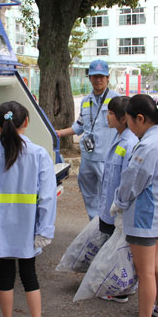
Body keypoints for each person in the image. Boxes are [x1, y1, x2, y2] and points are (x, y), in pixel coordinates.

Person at [0, 101, 57, 317]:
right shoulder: (39, 154)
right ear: (27, 123)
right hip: (28, 228)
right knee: (29, 276)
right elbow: (48, 197)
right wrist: (45, 230)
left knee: (5, 275)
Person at [110, 94, 158, 317]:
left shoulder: (150, 145)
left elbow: (133, 181)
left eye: (129, 120)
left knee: (145, 271)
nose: (128, 125)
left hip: (145, 217)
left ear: (140, 118)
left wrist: (118, 202)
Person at [56, 60, 119, 220]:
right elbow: (79, 126)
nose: (98, 80)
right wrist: (59, 133)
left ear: (108, 78)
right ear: (89, 78)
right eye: (94, 76)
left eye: (101, 77)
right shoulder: (86, 101)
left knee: (108, 193)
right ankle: (94, 225)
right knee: (89, 193)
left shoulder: (116, 100)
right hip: (88, 158)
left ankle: (108, 225)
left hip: (106, 158)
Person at [97, 96, 138, 303]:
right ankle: (118, 285)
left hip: (117, 209)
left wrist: (119, 207)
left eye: (111, 113)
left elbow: (127, 180)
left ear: (123, 118)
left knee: (120, 252)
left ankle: (122, 289)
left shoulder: (129, 142)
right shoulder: (118, 136)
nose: (107, 116)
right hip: (109, 207)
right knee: (112, 249)